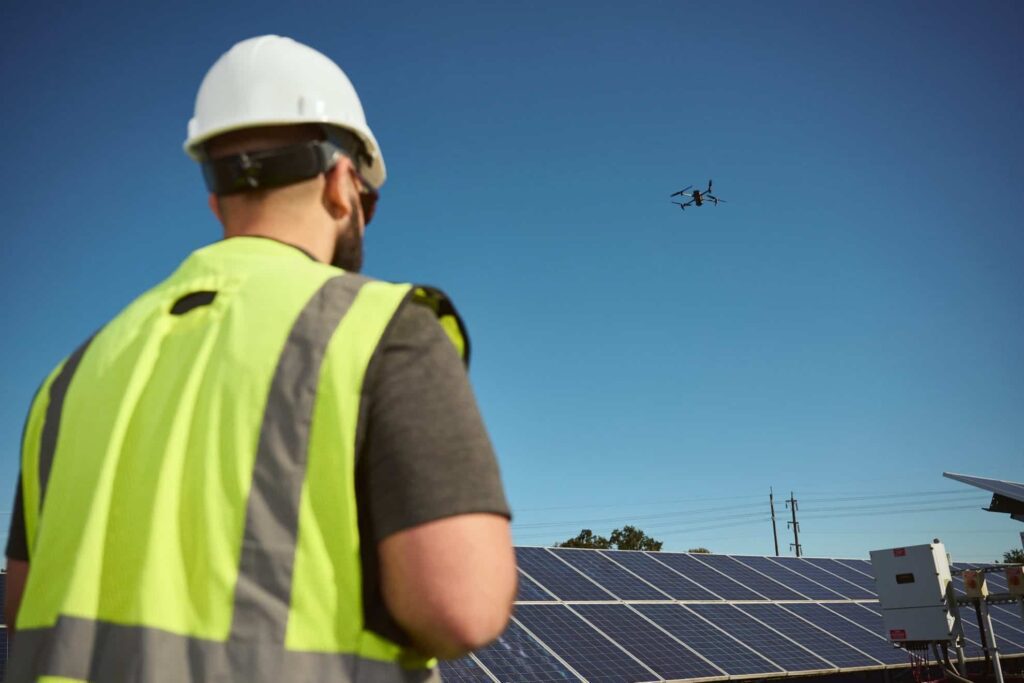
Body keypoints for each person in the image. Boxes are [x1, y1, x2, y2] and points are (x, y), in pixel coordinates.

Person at [4, 35, 516, 682]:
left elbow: (23, 609)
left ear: (215, 198)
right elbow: (460, 608)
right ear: (341, 183)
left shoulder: (68, 380)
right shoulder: (386, 331)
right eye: (369, 200)